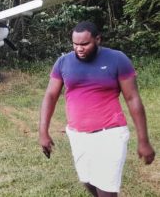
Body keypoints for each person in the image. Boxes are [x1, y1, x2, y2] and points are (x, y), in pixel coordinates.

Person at [39, 21, 155, 196]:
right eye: (75, 44)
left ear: (98, 39)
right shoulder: (63, 62)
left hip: (110, 133)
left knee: (106, 189)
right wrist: (43, 132)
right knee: (87, 181)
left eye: (85, 44)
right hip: (77, 134)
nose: (79, 48)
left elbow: (132, 98)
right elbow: (50, 96)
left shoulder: (117, 59)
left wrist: (143, 140)